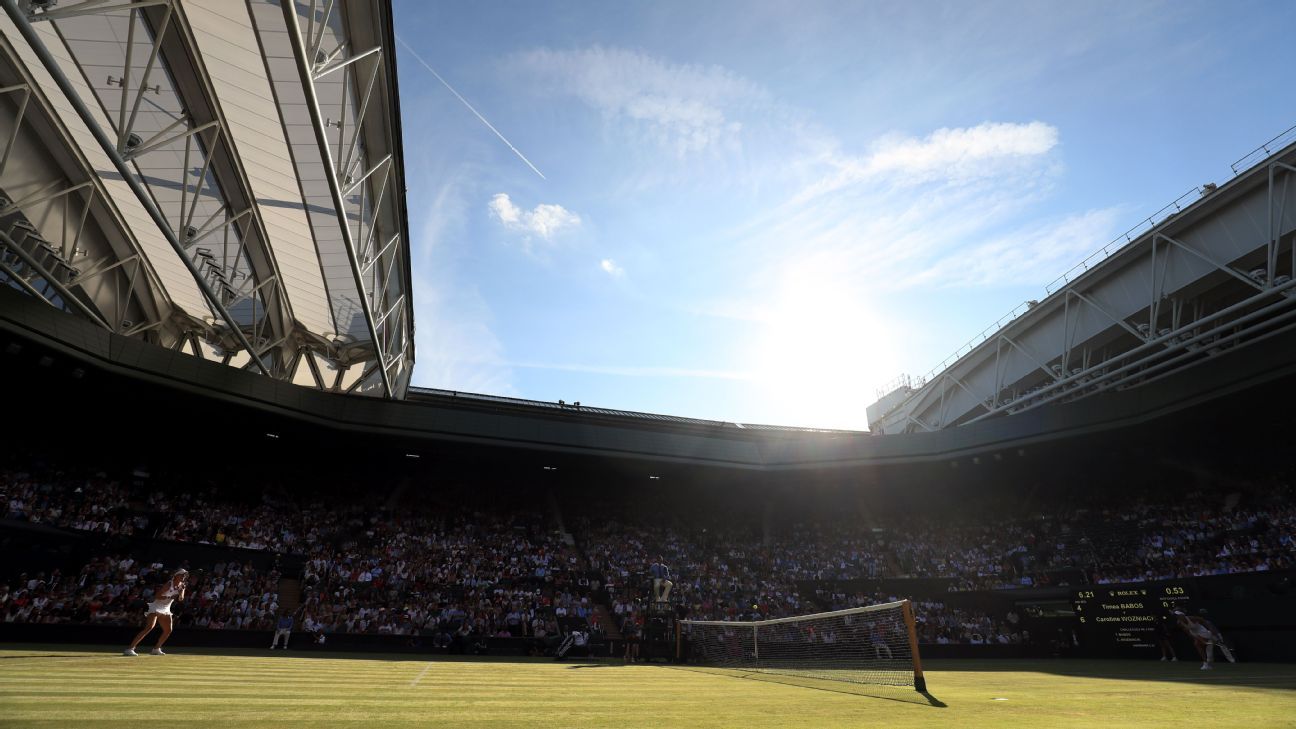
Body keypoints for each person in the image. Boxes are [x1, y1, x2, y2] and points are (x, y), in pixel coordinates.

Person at [124, 569, 188, 656]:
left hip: (166, 608)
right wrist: (170, 597)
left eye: (184, 575)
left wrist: (181, 592)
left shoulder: (182, 586)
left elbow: (180, 599)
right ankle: (130, 649)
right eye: (182, 575)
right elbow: (157, 596)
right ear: (176, 576)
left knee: (168, 630)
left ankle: (156, 649)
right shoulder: (169, 584)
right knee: (149, 627)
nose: (183, 577)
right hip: (156, 607)